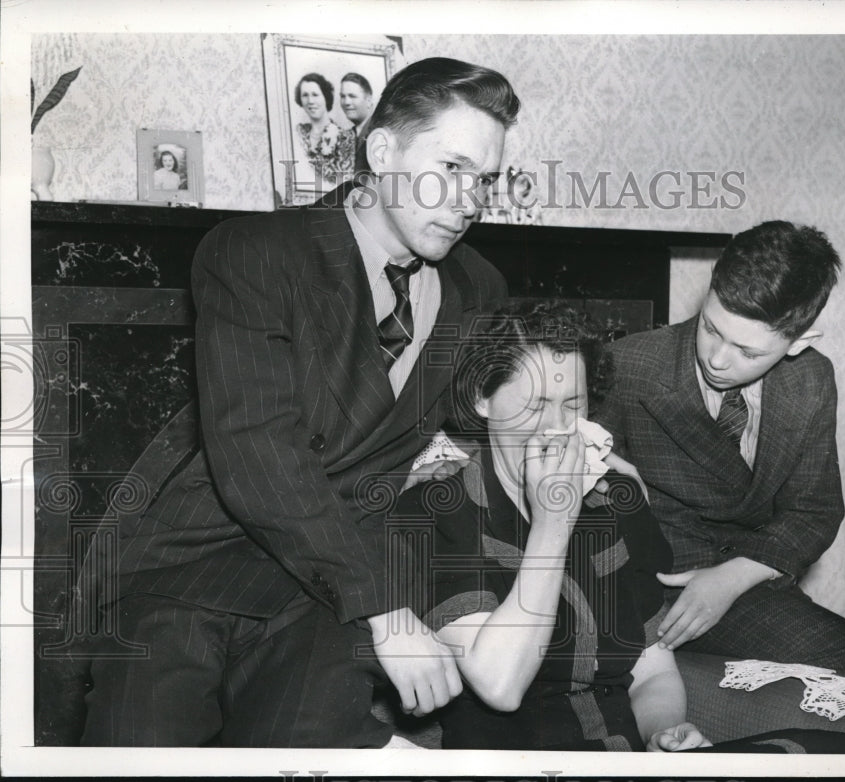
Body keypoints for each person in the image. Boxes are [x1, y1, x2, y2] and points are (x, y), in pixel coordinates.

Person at [81, 57, 520, 747]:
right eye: (453, 167)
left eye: (485, 180)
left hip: (328, 595)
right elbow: (259, 453)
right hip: (197, 562)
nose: (470, 200)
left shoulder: (476, 287)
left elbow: (482, 414)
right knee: (137, 748)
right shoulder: (258, 252)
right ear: (382, 151)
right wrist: (387, 612)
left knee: (305, 748)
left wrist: (573, 444)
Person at [394, 301, 845, 754]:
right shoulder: (437, 512)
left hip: (621, 758)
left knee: (834, 754)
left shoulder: (615, 501)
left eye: (571, 406)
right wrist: (553, 526)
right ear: (482, 399)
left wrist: (665, 732)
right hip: (518, 763)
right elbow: (501, 684)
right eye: (534, 406)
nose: (557, 430)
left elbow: (653, 668)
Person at [594, 221, 845, 689]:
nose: (717, 358)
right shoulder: (631, 364)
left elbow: (814, 512)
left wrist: (730, 579)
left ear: (799, 343)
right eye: (711, 328)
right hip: (651, 578)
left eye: (747, 351)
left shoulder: (811, 380)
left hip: (747, 575)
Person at [293, 72, 347, 187]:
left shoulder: (344, 137)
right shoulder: (298, 133)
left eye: (315, 94)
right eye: (305, 95)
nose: (310, 101)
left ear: (326, 97)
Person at [334, 72, 374, 178]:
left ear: (369, 100)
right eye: (343, 96)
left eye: (352, 96)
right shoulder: (345, 136)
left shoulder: (378, 133)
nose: (346, 102)